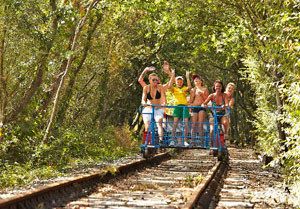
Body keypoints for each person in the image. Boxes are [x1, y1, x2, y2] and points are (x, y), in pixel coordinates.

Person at [169, 69, 191, 146]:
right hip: (177, 107)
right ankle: (172, 140)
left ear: (182, 82)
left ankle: (185, 141)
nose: (179, 83)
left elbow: (189, 87)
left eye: (180, 82)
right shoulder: (174, 89)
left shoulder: (184, 89)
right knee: (175, 124)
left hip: (184, 107)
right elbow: (169, 86)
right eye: (178, 82)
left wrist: (187, 77)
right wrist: (172, 75)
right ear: (176, 82)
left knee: (185, 124)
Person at [141, 73, 166, 144]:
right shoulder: (146, 88)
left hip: (158, 108)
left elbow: (163, 97)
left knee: (159, 123)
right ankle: (147, 142)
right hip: (149, 108)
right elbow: (143, 99)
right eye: (153, 80)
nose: (155, 81)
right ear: (149, 80)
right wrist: (144, 103)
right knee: (147, 126)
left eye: (156, 79)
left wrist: (163, 103)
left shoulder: (160, 87)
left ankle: (161, 140)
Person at [203, 80, 229, 145]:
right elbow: (203, 103)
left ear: (222, 87)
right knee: (212, 130)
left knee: (225, 122)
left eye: (220, 86)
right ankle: (212, 145)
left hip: (222, 113)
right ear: (214, 87)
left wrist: (224, 106)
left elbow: (227, 104)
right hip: (213, 114)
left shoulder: (224, 95)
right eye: (217, 86)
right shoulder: (211, 96)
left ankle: (226, 134)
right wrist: (205, 105)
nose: (218, 88)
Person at [188, 75, 209, 144]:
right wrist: (193, 92)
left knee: (200, 124)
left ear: (201, 81)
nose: (196, 79)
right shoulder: (192, 90)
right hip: (194, 107)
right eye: (194, 79)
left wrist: (202, 94)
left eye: (197, 78)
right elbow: (190, 101)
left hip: (201, 107)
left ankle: (202, 142)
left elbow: (207, 99)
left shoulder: (205, 89)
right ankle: (193, 141)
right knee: (193, 125)